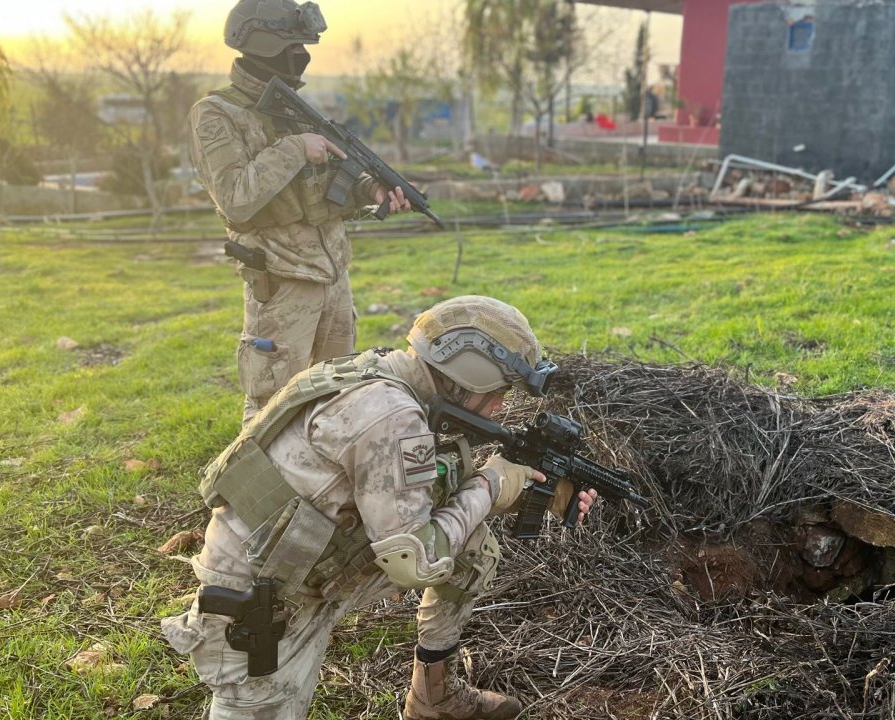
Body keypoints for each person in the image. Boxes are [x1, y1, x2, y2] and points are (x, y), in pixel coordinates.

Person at [161, 295, 599, 720]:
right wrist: (491, 483)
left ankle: (435, 698)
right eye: (500, 390)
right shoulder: (392, 416)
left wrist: (524, 493)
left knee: (472, 544)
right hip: (264, 611)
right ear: (469, 373)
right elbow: (415, 562)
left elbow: (411, 490)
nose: (502, 406)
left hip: (306, 564)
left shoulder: (378, 372)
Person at [190, 0, 413, 425]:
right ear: (262, 44)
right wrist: (295, 148)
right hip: (282, 281)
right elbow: (235, 197)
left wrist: (372, 188)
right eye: (293, 45)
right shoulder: (216, 114)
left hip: (333, 278)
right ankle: (253, 492)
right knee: (274, 407)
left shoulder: (291, 107)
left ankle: (323, 485)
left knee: (338, 395)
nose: (302, 55)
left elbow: (324, 189)